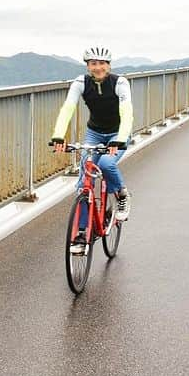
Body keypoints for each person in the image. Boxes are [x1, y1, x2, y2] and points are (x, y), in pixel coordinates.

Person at [50, 46, 132, 254]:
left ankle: (121, 194)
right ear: (88, 66)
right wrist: (59, 135)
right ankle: (80, 234)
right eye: (93, 64)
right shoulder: (80, 82)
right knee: (84, 182)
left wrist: (120, 140)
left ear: (109, 65)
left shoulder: (119, 83)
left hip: (116, 134)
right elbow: (68, 108)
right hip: (94, 133)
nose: (98, 68)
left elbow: (127, 112)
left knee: (105, 164)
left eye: (102, 63)